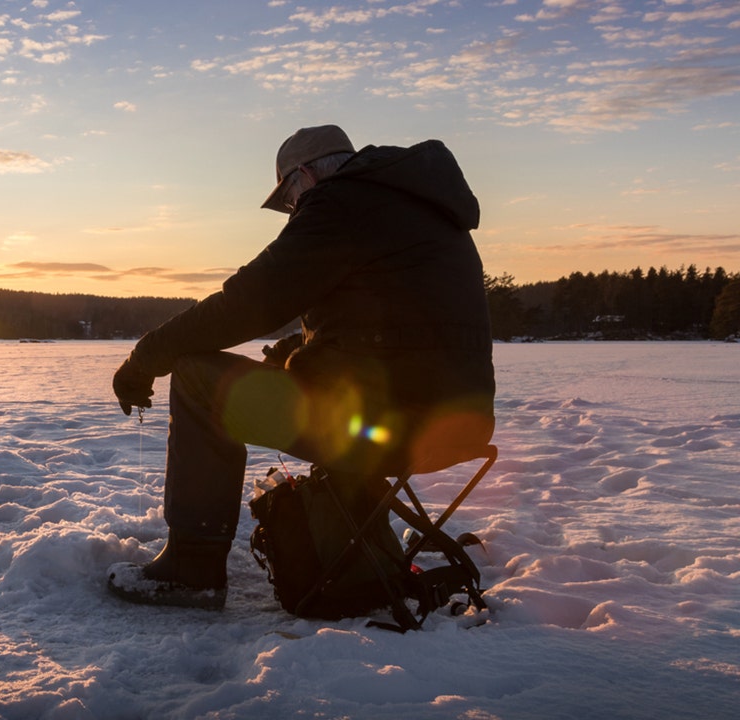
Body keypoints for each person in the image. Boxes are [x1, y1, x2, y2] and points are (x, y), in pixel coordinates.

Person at [107, 125, 496, 609]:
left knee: (195, 375)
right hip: (457, 422)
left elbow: (247, 303)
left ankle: (193, 567)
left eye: (290, 199)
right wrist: (298, 350)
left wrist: (146, 357)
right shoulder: (415, 207)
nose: (292, 211)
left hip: (389, 424)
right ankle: (349, 547)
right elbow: (396, 327)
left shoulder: (341, 204)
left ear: (305, 175)